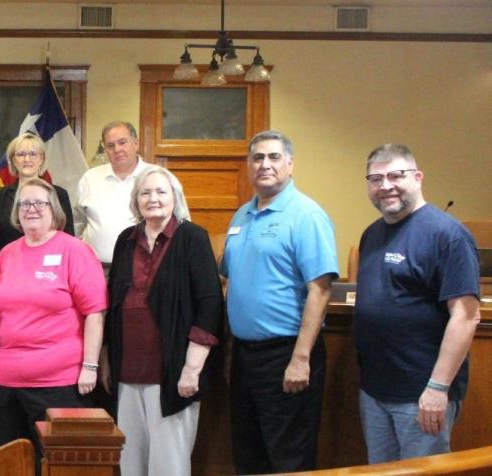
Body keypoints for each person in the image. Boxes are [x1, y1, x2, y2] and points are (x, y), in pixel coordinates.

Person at [354, 144, 481, 463]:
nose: (385, 186)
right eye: (375, 178)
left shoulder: (447, 235)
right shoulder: (371, 235)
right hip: (374, 391)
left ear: (418, 178)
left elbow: (466, 318)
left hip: (421, 393)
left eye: (396, 175)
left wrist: (438, 388)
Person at [222, 131, 338, 473]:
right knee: (248, 453)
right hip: (245, 356)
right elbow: (230, 280)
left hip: (287, 354)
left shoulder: (307, 215)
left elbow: (320, 290)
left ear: (290, 163)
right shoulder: (241, 215)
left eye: (274, 157)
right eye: (257, 158)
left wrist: (301, 359)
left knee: (289, 458)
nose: (265, 164)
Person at [105, 166, 223, 476]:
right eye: (145, 192)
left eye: (161, 191)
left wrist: (192, 368)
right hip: (128, 371)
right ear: (136, 201)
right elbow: (113, 305)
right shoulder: (125, 241)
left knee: (167, 465)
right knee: (129, 463)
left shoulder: (192, 238)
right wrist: (106, 362)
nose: (153, 198)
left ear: (175, 198)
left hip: (173, 373)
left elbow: (209, 305)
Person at [0, 177, 106, 458]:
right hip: (3, 380)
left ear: (54, 209)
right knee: (10, 463)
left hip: (58, 382)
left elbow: (94, 315)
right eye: (24, 203)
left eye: (39, 202)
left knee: (57, 463)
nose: (31, 209)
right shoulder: (8, 253)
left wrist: (90, 366)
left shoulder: (75, 250)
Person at [0, 132, 75, 267]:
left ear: (41, 158)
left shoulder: (59, 195)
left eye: (33, 154)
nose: (27, 159)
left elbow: (68, 237)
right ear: (13, 160)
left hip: (49, 267)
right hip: (10, 266)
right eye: (20, 154)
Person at [74, 121, 151, 265]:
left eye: (122, 142)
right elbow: (77, 222)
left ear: (136, 143)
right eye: (110, 145)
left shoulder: (155, 176)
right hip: (96, 269)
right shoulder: (90, 178)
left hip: (144, 269)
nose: (117, 149)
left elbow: (178, 222)